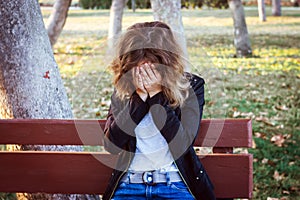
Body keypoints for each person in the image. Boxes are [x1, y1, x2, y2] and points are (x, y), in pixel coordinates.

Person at [102, 21, 215, 200]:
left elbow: (182, 145)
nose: (145, 75)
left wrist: (156, 96)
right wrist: (139, 99)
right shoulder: (124, 89)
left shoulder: (191, 87)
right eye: (139, 69)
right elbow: (112, 145)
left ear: (167, 64)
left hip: (177, 186)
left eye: (153, 69)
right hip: (130, 187)